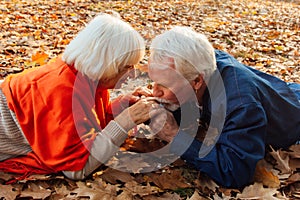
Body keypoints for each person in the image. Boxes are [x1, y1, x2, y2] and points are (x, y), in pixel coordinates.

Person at [0, 12, 156, 181]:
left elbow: (84, 125)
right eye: (127, 67)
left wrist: (122, 107)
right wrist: (125, 121)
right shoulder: (61, 92)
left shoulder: (80, 75)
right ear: (106, 64)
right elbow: (76, 169)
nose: (132, 75)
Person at [146, 26, 300, 188]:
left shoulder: (240, 105)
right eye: (153, 81)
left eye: (163, 86)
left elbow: (234, 172)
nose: (154, 92)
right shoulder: (202, 62)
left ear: (197, 81)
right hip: (283, 91)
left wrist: (176, 137)